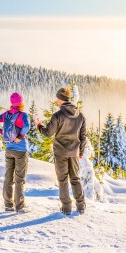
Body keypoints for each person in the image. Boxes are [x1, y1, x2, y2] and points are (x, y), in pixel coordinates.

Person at [35, 87, 86, 215]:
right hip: (74, 152)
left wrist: (39, 125)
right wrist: (81, 151)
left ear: (59, 99)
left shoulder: (58, 115)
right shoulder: (80, 115)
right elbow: (83, 136)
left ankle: (66, 207)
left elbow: (48, 133)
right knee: (75, 179)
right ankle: (81, 206)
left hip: (61, 152)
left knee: (62, 180)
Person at [0, 92, 30, 213]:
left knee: (8, 177)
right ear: (21, 102)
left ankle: (8, 204)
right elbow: (26, 127)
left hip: (9, 149)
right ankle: (20, 206)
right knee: (19, 178)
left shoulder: (6, 114)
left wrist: (1, 132)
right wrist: (20, 136)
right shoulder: (23, 115)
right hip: (21, 150)